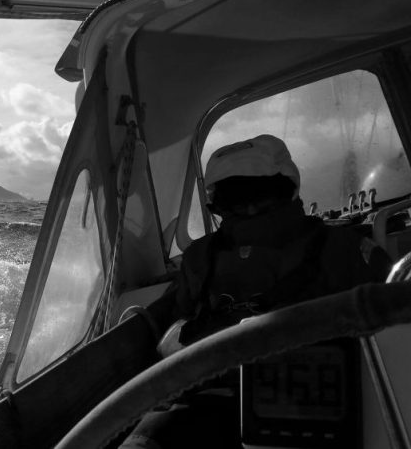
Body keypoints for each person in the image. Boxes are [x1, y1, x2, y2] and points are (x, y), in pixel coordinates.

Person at [121, 134, 390, 449]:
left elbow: (171, 332)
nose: (249, 207)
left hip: (253, 402)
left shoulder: (199, 256)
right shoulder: (346, 248)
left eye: (257, 196)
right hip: (302, 407)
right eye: (237, 198)